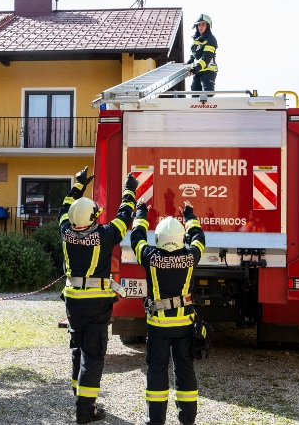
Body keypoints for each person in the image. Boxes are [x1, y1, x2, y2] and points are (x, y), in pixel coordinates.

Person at [59, 166, 138, 424]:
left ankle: (78, 394)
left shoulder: (65, 230)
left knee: (78, 348)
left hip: (73, 302)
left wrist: (78, 184)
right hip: (96, 304)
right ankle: (86, 409)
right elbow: (125, 216)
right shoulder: (104, 235)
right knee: (93, 354)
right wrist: (130, 190)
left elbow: (64, 207)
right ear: (93, 217)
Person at [131, 199, 206, 425]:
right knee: (185, 371)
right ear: (181, 239)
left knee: (156, 371)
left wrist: (141, 212)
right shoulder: (191, 256)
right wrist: (190, 215)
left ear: (158, 239)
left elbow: (136, 237)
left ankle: (155, 419)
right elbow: (199, 238)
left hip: (158, 327)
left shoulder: (149, 256)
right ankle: (187, 419)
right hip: (184, 326)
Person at [186, 14, 218, 96]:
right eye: (199, 24)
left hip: (208, 71)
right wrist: (189, 61)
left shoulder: (211, 40)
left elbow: (206, 58)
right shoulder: (197, 39)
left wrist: (194, 69)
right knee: (195, 96)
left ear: (208, 26)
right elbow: (194, 53)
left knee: (207, 96)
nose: (200, 27)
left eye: (203, 24)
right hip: (198, 71)